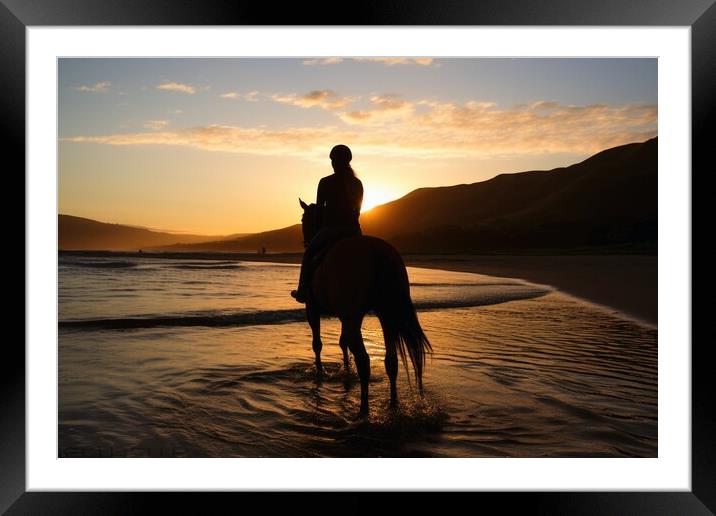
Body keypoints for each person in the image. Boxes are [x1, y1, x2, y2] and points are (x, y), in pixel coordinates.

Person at [291, 144, 363, 303]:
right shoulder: (357, 183)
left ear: (334, 162)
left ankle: (302, 291)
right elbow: (357, 211)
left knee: (309, 253)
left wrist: (319, 227)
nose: (332, 163)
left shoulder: (325, 182)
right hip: (354, 231)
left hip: (332, 229)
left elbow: (318, 212)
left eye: (333, 160)